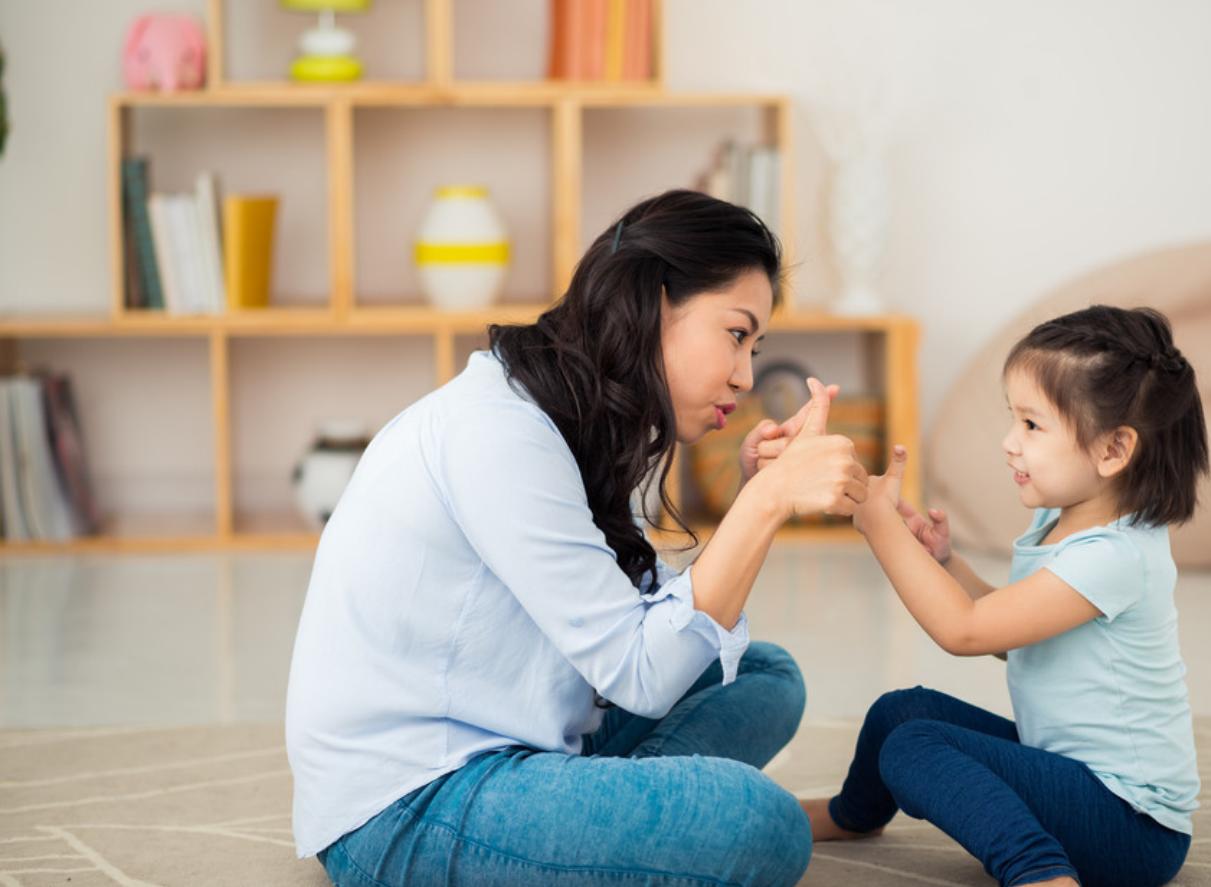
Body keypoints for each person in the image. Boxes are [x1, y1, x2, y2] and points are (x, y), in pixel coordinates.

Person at [286, 190, 871, 886]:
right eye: (736, 335)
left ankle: (594, 836)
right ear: (654, 306)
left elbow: (643, 632)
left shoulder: (582, 414)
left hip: (522, 732)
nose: (745, 376)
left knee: (765, 676)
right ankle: (610, 834)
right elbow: (640, 671)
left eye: (755, 347)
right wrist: (767, 503)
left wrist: (751, 497)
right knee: (763, 826)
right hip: (408, 802)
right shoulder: (500, 433)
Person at [798, 305, 1209, 887]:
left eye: (1033, 426)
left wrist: (878, 525)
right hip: (1071, 777)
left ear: (1114, 451)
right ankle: (851, 816)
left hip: (1131, 826)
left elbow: (966, 631)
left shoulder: (1115, 556)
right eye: (1013, 420)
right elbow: (1012, 631)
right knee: (902, 712)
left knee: (915, 746)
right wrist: (946, 563)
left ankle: (1038, 872)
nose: (1010, 443)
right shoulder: (1061, 523)